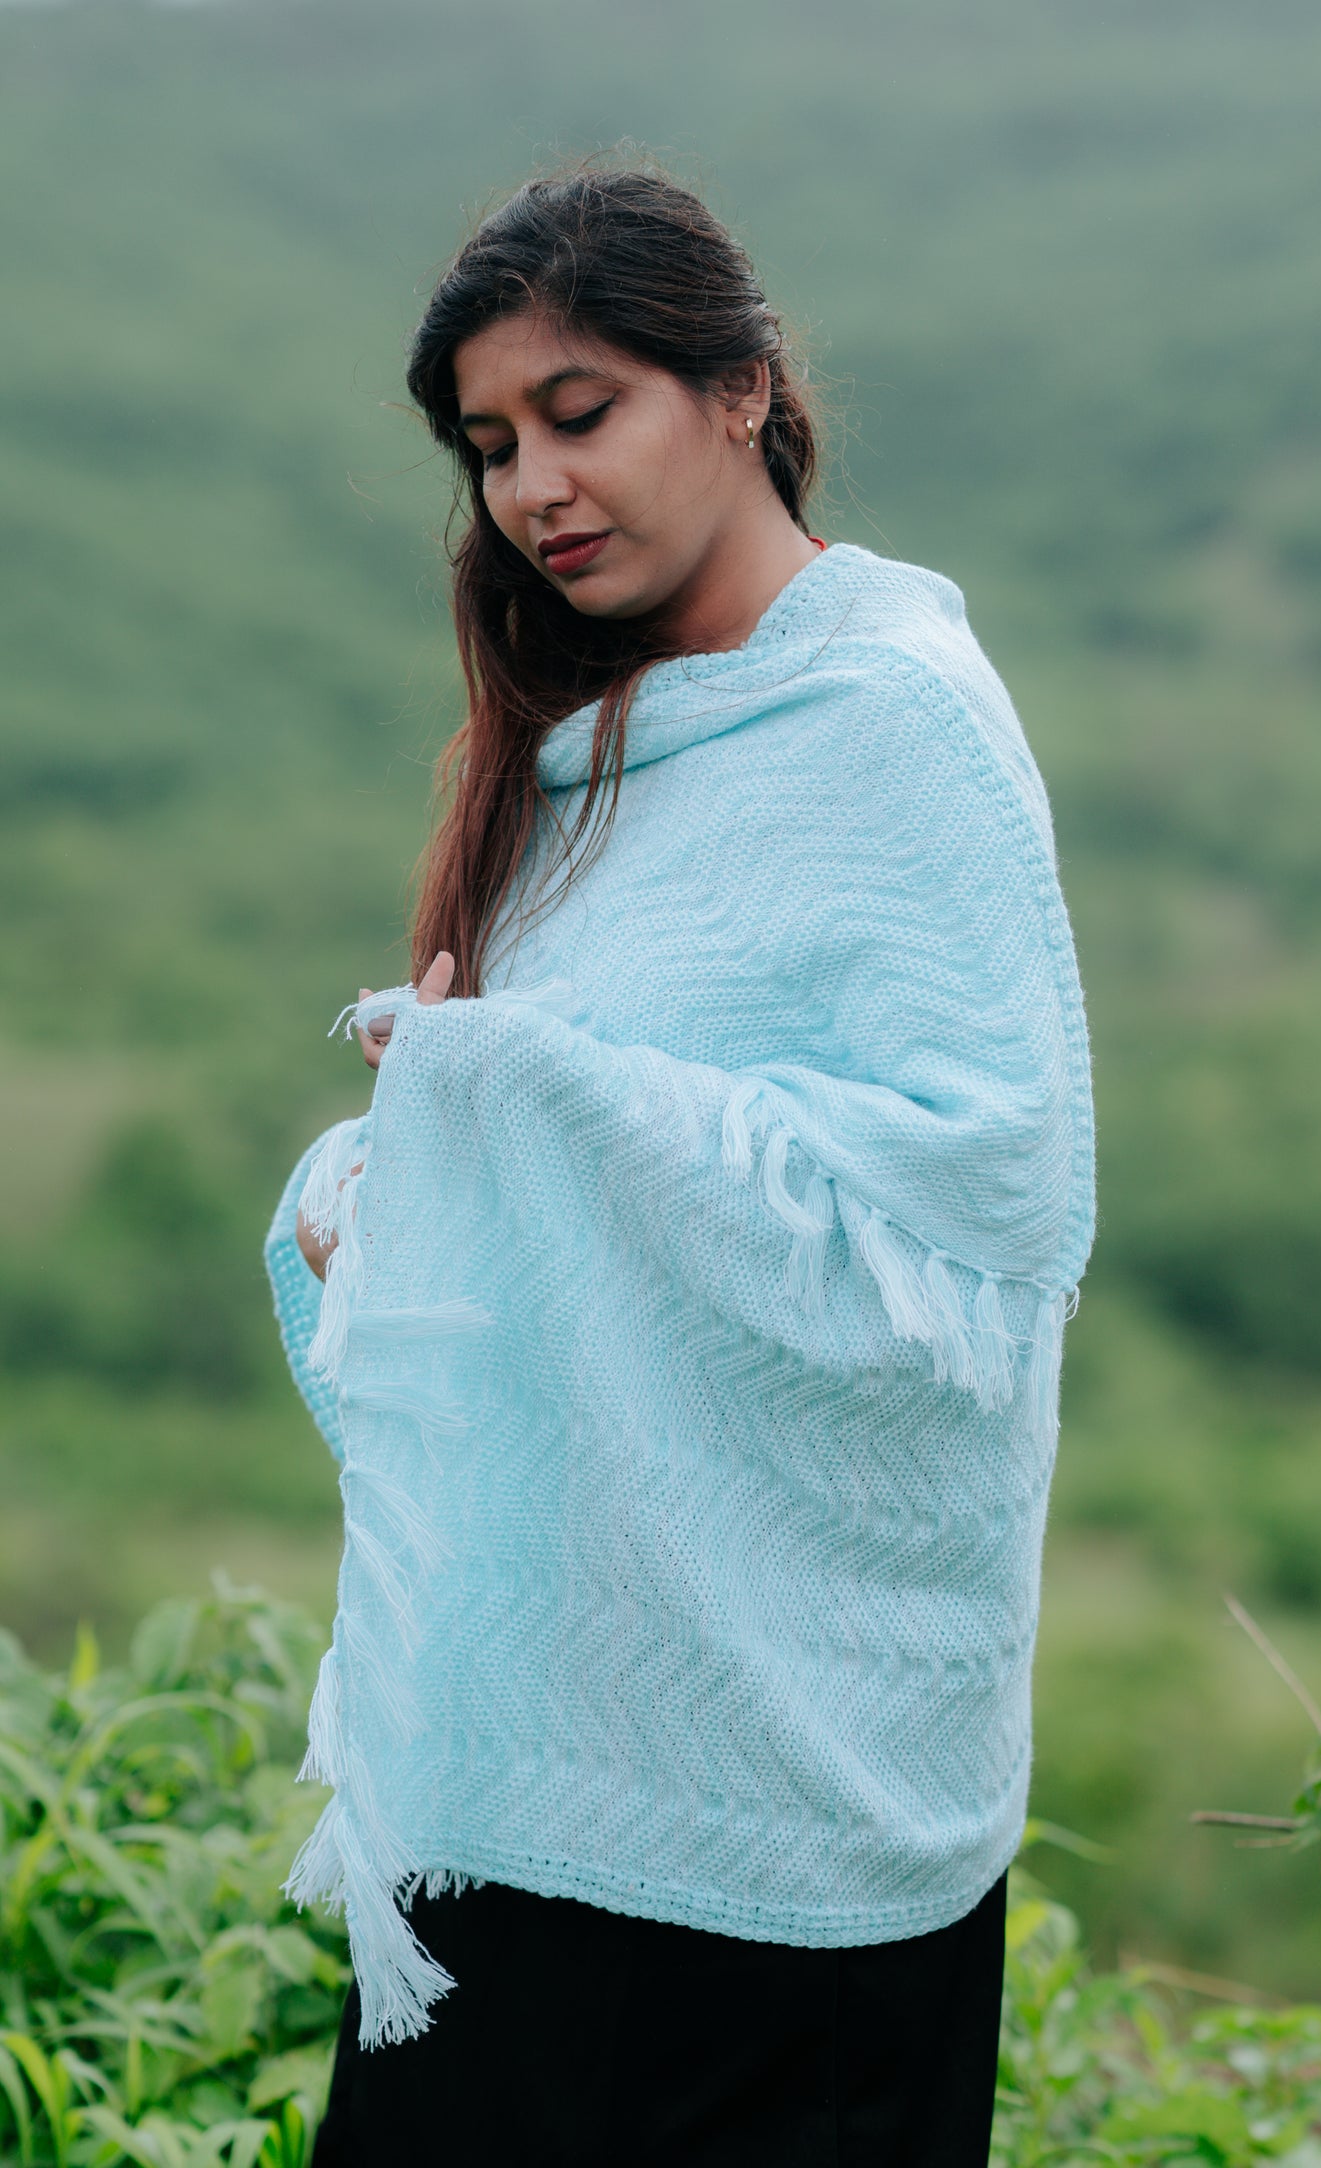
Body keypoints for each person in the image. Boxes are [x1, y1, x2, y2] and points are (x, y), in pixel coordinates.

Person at [266, 164, 1095, 2167]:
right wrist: (368, 1182)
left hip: (783, 1785)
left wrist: (522, 1101)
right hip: (532, 1737)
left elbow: (986, 1210)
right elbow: (510, 1129)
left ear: (738, 388)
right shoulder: (580, 743)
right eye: (488, 449)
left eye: (580, 411)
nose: (534, 488)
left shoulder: (899, 721)